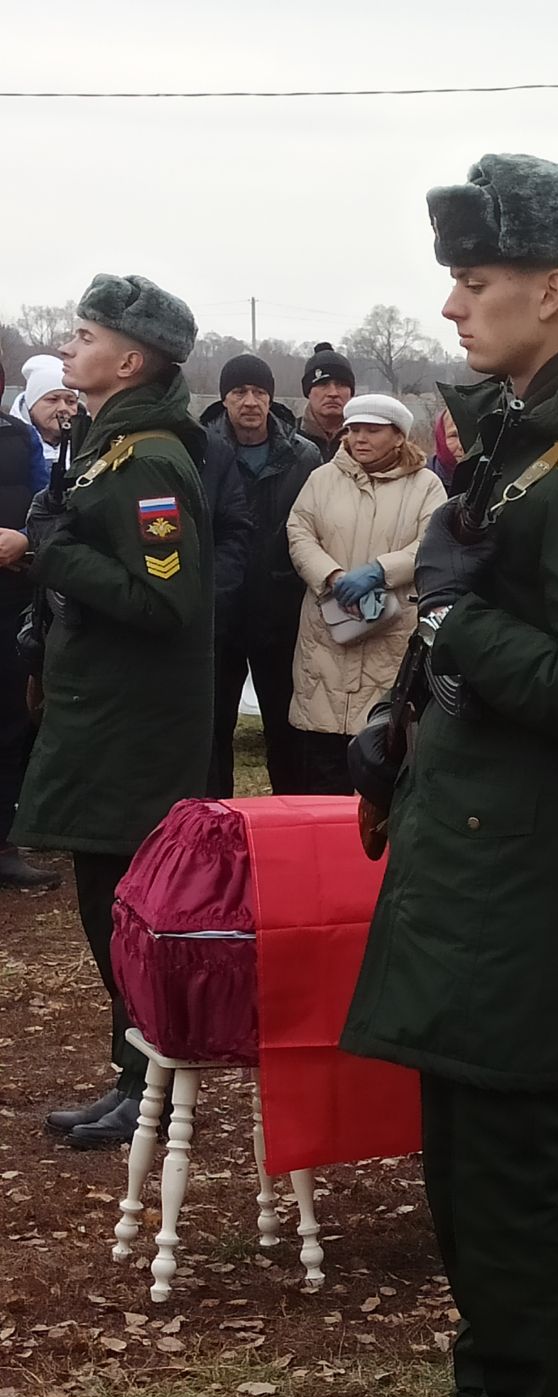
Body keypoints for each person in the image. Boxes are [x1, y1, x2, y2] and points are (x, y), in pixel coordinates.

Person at [339, 153, 558, 1397]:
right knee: (470, 1184)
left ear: (553, 290)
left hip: (527, 892)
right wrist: (407, 721)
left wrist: (459, 616)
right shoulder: (532, 440)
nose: (452, 308)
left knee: (506, 1185)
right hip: (482, 867)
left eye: (473, 283)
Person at [18, 274, 212, 1149]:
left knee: (124, 907)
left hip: (134, 729)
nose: (68, 346)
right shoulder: (107, 446)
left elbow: (164, 602)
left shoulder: (153, 462)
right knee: (106, 903)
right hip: (103, 715)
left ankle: (153, 1086)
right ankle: (134, 1076)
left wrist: (46, 551)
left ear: (129, 360)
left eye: (84, 335)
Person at [284, 393, 442, 795]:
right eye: (354, 430)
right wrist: (332, 576)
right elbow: (299, 532)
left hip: (390, 636)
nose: (360, 438)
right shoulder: (322, 479)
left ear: (397, 436)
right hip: (328, 633)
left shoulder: (426, 486)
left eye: (372, 430)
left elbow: (432, 544)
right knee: (322, 761)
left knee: (382, 757)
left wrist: (381, 571)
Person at [200, 354, 318, 796]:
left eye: (259, 392)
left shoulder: (303, 456)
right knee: (214, 729)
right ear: (224, 398)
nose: (250, 402)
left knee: (286, 729)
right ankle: (216, 825)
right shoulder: (202, 451)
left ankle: (290, 821)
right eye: (239, 392)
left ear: (270, 397)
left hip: (281, 613)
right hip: (220, 611)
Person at [0, 378, 57, 889]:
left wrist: (26, 541)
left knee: (10, 720)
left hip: (9, 597)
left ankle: (3, 842)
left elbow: (45, 507)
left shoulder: (19, 439)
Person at [10, 353, 81, 483]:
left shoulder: (88, 446)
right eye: (53, 400)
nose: (63, 408)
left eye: (70, 401)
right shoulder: (10, 442)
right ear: (31, 404)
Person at [297, 343, 356, 460]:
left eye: (341, 385)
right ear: (308, 392)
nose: (333, 393)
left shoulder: (364, 440)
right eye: (323, 384)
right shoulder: (288, 439)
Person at [430, 408, 467, 493]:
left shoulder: (492, 476)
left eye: (466, 435)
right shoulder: (424, 480)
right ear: (441, 437)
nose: (461, 445)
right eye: (453, 436)